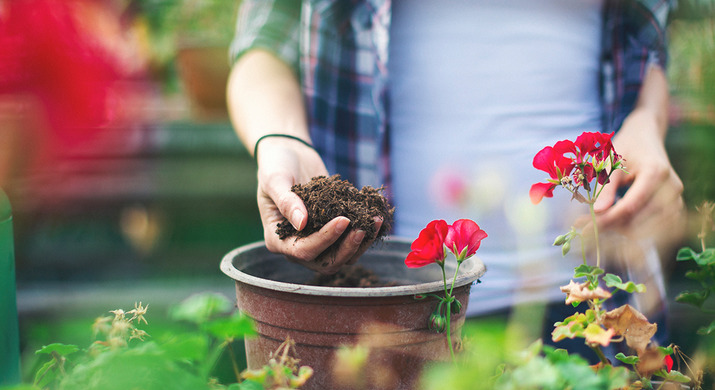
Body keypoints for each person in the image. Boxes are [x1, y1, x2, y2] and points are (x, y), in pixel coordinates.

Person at [225, 0, 685, 338]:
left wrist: (646, 124)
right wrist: (281, 137)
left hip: (599, 304)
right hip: (389, 312)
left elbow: (646, 50)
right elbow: (263, 45)